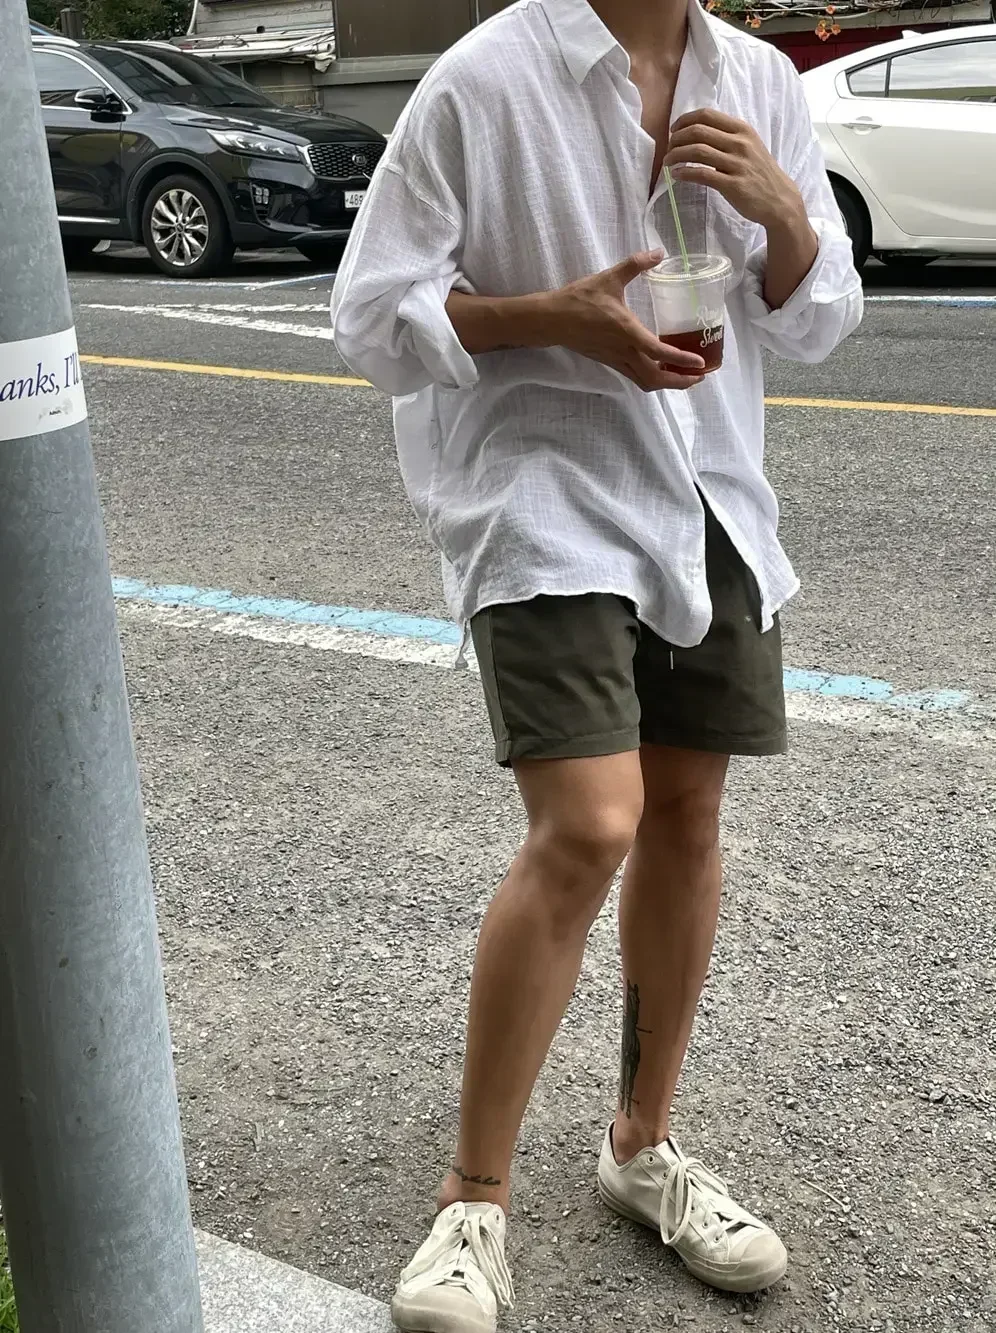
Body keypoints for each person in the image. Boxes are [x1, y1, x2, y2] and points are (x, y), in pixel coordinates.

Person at [332, 0, 862, 1327]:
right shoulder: (484, 80)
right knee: (589, 823)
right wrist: (552, 321)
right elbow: (371, 319)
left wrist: (784, 216)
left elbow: (819, 321)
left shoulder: (754, 79)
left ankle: (641, 1144)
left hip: (711, 496)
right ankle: (474, 1199)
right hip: (543, 493)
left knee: (686, 815)